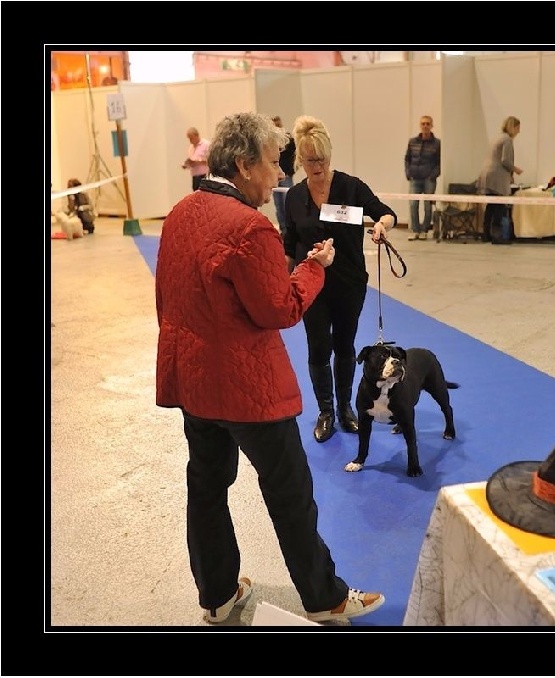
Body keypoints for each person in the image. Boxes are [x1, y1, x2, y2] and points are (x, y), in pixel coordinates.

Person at [155, 112, 384, 625]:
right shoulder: (248, 225)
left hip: (194, 384)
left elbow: (169, 298)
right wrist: (313, 268)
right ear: (242, 164)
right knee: (290, 494)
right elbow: (280, 309)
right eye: (272, 164)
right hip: (247, 389)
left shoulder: (179, 213)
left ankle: (216, 596)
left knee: (207, 488)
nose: (281, 176)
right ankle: (325, 598)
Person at [284, 115, 397, 444]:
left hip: (349, 283)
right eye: (309, 160)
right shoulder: (293, 197)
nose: (316, 166)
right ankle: (325, 410)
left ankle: (347, 408)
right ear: (300, 160)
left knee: (345, 346)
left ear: (329, 156)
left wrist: (380, 226)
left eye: (321, 158)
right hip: (311, 285)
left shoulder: (351, 187)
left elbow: (385, 211)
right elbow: (289, 242)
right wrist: (283, 280)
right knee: (318, 347)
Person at [477, 116, 523, 244]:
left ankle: (486, 235)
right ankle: (497, 237)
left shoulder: (498, 138)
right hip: (497, 177)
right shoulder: (507, 140)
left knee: (490, 206)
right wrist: (515, 169)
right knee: (498, 206)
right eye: (518, 128)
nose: (519, 131)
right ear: (512, 127)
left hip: (488, 175)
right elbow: (505, 161)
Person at [404, 115, 441, 240]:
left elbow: (439, 162)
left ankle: (424, 230)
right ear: (420, 125)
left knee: (427, 205)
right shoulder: (412, 142)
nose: (425, 126)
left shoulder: (437, 143)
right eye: (423, 124)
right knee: (413, 204)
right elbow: (407, 159)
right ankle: (415, 230)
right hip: (415, 178)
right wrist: (408, 173)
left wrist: (433, 175)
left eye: (428, 124)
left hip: (429, 179)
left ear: (431, 126)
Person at [271, 116, 296, 238]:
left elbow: (295, 155)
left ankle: (290, 230)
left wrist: (293, 169)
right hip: (274, 175)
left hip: (286, 175)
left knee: (288, 202)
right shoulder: (270, 141)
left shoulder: (289, 139)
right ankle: (283, 230)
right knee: (278, 204)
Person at [181, 127, 210, 191]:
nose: (190, 140)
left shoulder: (206, 144)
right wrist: (187, 165)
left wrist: (198, 162)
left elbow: (211, 161)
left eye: (191, 138)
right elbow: (192, 161)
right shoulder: (191, 148)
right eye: (189, 138)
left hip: (205, 176)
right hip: (195, 176)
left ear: (196, 135)